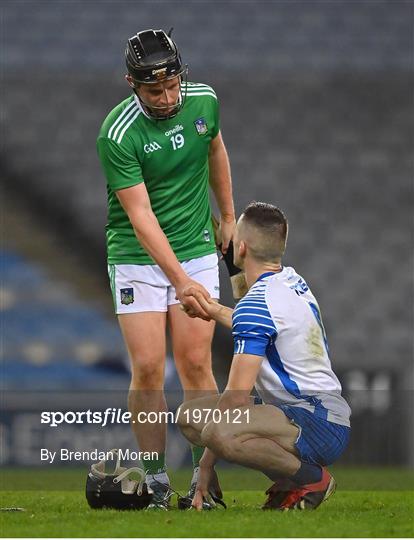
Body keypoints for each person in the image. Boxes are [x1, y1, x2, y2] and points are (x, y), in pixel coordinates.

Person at [96, 28, 235, 509]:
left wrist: (229, 216)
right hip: (139, 258)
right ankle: (155, 480)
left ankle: (204, 479)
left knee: (197, 363)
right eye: (154, 90)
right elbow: (140, 217)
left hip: (196, 245)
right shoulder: (117, 134)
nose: (167, 97)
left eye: (173, 85)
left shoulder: (205, 102)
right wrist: (180, 282)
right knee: (151, 368)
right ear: (131, 84)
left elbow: (215, 149)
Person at [178, 202, 351, 511]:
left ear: (241, 247)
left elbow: (235, 400)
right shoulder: (291, 280)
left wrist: (204, 467)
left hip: (315, 419)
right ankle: (291, 482)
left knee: (218, 432)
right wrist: (214, 310)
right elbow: (260, 321)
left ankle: (313, 480)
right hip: (315, 413)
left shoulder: (256, 306)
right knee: (189, 418)